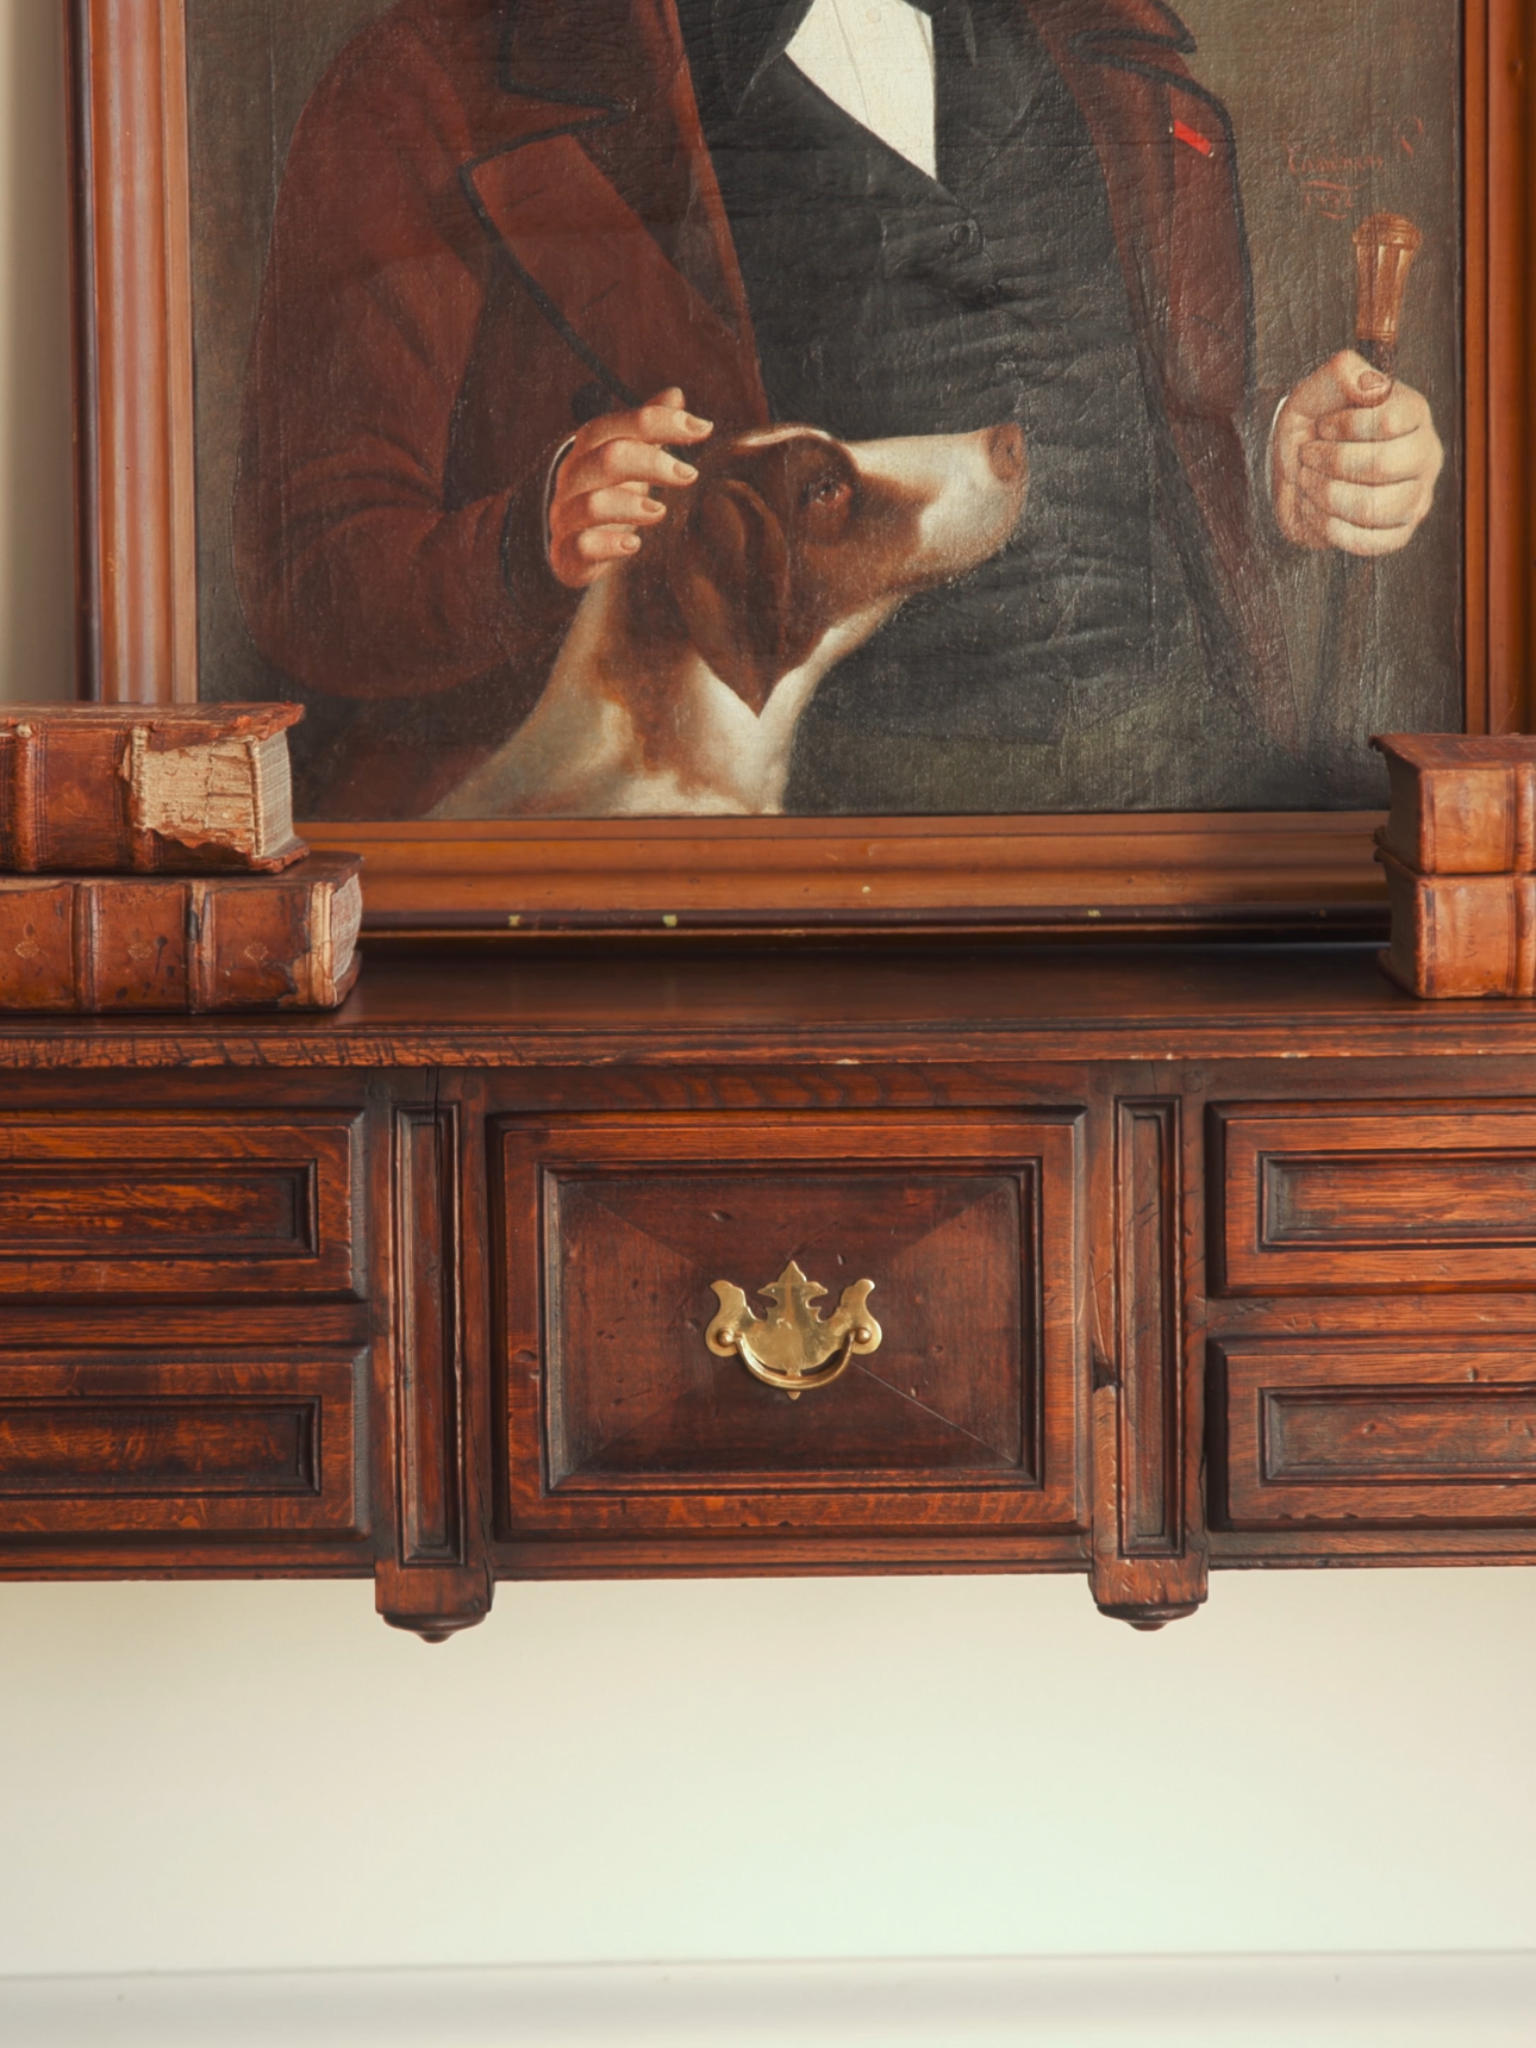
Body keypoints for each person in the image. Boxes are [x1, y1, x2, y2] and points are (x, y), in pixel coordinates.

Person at [234, 0, 1443, 818]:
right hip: (796, 878)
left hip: (1182, 843)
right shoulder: (440, 82)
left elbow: (1161, 431)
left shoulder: (1107, 53)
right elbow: (308, 571)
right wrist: (527, 538)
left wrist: (1277, 472)